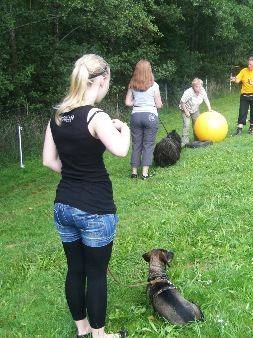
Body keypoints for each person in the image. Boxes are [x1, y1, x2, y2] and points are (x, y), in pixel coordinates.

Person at [42, 54, 130, 338]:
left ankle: (82, 331)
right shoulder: (96, 116)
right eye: (108, 83)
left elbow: (49, 161)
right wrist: (124, 129)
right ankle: (99, 335)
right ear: (101, 81)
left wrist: (75, 172)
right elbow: (120, 150)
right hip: (94, 208)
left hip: (63, 206)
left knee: (75, 270)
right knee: (96, 274)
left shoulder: (57, 115)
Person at [125, 60, 163, 179]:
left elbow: (127, 102)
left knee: (136, 144)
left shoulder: (132, 85)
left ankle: (134, 172)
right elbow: (159, 104)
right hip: (150, 116)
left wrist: (136, 101)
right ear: (149, 71)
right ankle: (145, 173)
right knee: (148, 144)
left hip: (136, 116)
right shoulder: (154, 86)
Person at [230, 56, 253, 135]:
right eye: (248, 64)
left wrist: (251, 83)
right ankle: (239, 130)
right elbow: (238, 80)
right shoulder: (244, 71)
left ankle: (251, 128)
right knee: (242, 112)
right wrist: (234, 79)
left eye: (251, 64)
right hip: (244, 95)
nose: (249, 66)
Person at [179, 78, 212, 146]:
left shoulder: (202, 90)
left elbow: (206, 98)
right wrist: (186, 112)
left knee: (197, 123)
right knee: (187, 124)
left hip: (195, 109)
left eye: (200, 86)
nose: (198, 88)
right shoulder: (188, 92)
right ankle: (185, 142)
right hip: (185, 108)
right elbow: (182, 102)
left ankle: (197, 139)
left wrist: (209, 108)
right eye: (196, 87)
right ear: (193, 87)